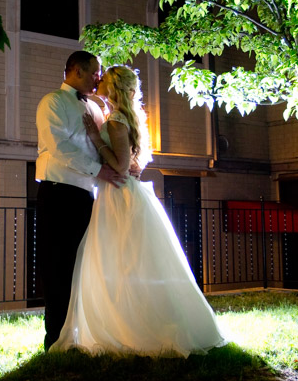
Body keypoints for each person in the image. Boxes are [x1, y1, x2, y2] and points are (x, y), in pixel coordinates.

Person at [49, 65, 227, 357]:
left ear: (114, 87)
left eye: (103, 79)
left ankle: (133, 327)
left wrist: (95, 138)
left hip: (118, 195)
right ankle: (122, 322)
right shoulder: (118, 117)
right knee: (124, 261)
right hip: (118, 193)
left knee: (123, 260)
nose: (99, 81)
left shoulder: (117, 120)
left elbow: (120, 167)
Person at [34, 51, 123, 350]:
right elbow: (58, 147)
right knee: (56, 266)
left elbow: (101, 146)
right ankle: (56, 339)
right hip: (58, 192)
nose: (99, 77)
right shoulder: (52, 102)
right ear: (77, 71)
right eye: (95, 72)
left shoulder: (96, 108)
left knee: (84, 267)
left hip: (87, 195)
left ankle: (81, 335)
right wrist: (100, 170)